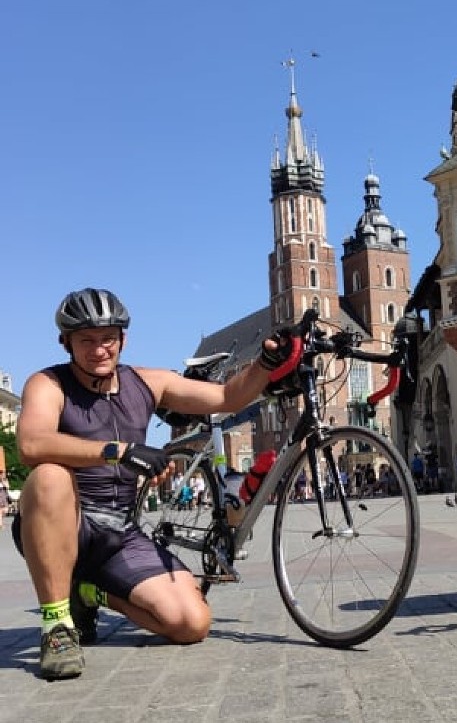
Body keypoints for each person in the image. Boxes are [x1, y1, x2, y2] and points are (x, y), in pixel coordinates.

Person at [14, 287, 296, 680]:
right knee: (48, 475)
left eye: (108, 338)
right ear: (66, 343)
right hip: (67, 524)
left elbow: (228, 397)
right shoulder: (48, 384)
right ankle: (58, 627)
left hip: (120, 533)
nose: (99, 350)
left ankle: (88, 592)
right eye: (86, 341)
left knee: (191, 623)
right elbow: (31, 443)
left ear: (123, 339)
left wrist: (266, 363)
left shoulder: (148, 382)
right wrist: (117, 451)